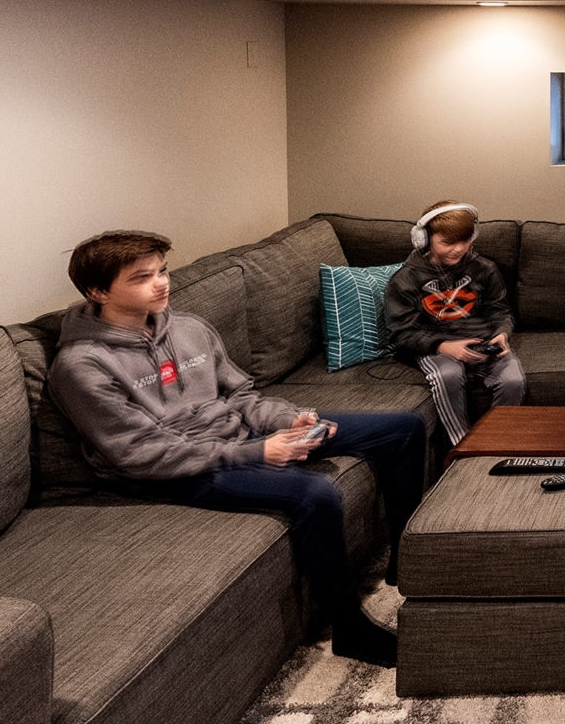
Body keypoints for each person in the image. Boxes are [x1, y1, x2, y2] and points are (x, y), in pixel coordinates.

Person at [47, 230, 422, 667]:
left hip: (237, 439)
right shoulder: (81, 365)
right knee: (313, 493)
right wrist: (257, 453)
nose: (162, 283)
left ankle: (406, 558)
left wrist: (289, 421)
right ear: (98, 291)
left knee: (403, 428)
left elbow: (243, 396)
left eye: (163, 271)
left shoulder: (188, 328)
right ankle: (349, 629)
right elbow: (139, 453)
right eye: (142, 278)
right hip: (172, 471)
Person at [383, 201, 525, 444]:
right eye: (448, 243)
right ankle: (462, 446)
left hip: (482, 342)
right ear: (424, 240)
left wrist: (502, 334)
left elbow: (501, 311)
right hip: (435, 346)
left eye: (465, 240)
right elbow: (401, 334)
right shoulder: (405, 279)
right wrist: (443, 346)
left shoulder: (485, 269)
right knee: (447, 375)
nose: (458, 249)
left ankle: (495, 443)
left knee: (514, 379)